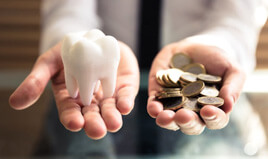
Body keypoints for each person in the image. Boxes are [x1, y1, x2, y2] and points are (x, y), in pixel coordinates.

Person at [9, 0, 268, 157]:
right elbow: (68, 9)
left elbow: (237, 14)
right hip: (101, 90)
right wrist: (72, 42)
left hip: (215, 109)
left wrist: (219, 47)